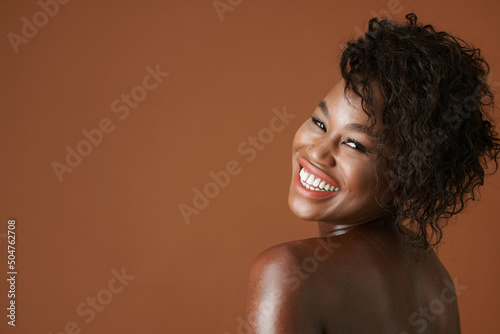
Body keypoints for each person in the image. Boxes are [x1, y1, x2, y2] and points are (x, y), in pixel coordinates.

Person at [246, 13, 500, 333]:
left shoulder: (287, 272)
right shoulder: (435, 279)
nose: (317, 152)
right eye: (320, 123)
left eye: (355, 144)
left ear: (410, 175)